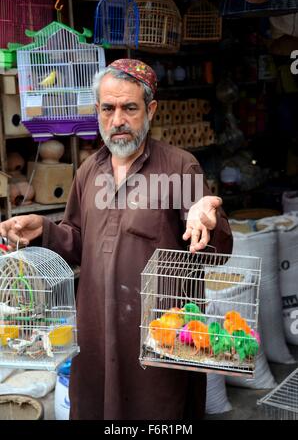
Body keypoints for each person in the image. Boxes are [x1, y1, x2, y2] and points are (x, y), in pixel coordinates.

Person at [0, 59, 233, 420]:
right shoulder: (89, 171)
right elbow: (77, 241)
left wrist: (208, 219)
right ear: (97, 111)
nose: (117, 120)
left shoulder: (178, 168)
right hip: (95, 332)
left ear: (150, 110)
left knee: (159, 413)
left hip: (158, 338)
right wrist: (43, 230)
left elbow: (214, 253)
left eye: (129, 108)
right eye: (108, 109)